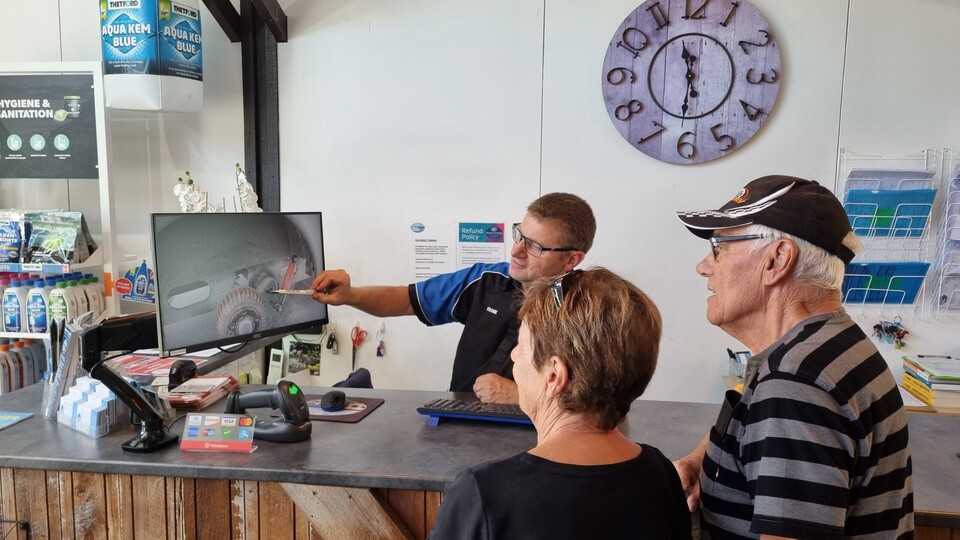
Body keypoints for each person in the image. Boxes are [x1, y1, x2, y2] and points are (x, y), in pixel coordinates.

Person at [673, 175, 914, 539]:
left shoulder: (796, 385)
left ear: (777, 259)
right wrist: (700, 462)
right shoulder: (826, 345)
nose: (704, 266)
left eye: (719, 247)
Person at [428, 267, 692, 539]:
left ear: (554, 375)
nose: (515, 356)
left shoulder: (484, 493)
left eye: (522, 345)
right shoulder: (661, 475)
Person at [310, 193, 595, 403]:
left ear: (571, 259)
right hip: (457, 430)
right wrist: (351, 295)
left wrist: (519, 395)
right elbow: (407, 299)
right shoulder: (485, 280)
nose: (516, 251)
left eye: (534, 246)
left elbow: (600, 403)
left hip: (534, 441)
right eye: (519, 235)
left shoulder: (591, 311)